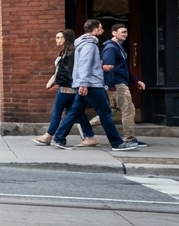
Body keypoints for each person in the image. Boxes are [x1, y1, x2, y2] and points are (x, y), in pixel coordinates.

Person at [54, 19, 138, 151]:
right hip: (91, 84)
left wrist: (100, 67)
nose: (102, 30)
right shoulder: (90, 44)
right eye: (100, 28)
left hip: (85, 83)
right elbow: (85, 64)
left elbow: (86, 64)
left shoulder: (82, 43)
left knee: (74, 111)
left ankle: (59, 138)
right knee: (105, 112)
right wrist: (84, 84)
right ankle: (116, 143)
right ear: (95, 29)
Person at [33, 29, 97, 147]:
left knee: (57, 111)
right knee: (78, 113)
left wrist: (59, 81)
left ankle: (49, 135)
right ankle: (89, 136)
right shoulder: (66, 52)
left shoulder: (70, 52)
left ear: (66, 39)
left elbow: (70, 72)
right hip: (70, 87)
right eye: (56, 38)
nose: (57, 40)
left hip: (67, 88)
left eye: (59, 37)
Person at [102, 23, 147, 148]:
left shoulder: (118, 47)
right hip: (117, 84)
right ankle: (129, 139)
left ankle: (86, 127)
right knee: (128, 110)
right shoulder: (111, 48)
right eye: (123, 32)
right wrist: (111, 85)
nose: (125, 34)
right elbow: (108, 67)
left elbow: (124, 68)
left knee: (109, 110)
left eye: (126, 32)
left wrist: (136, 80)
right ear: (114, 33)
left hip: (119, 82)